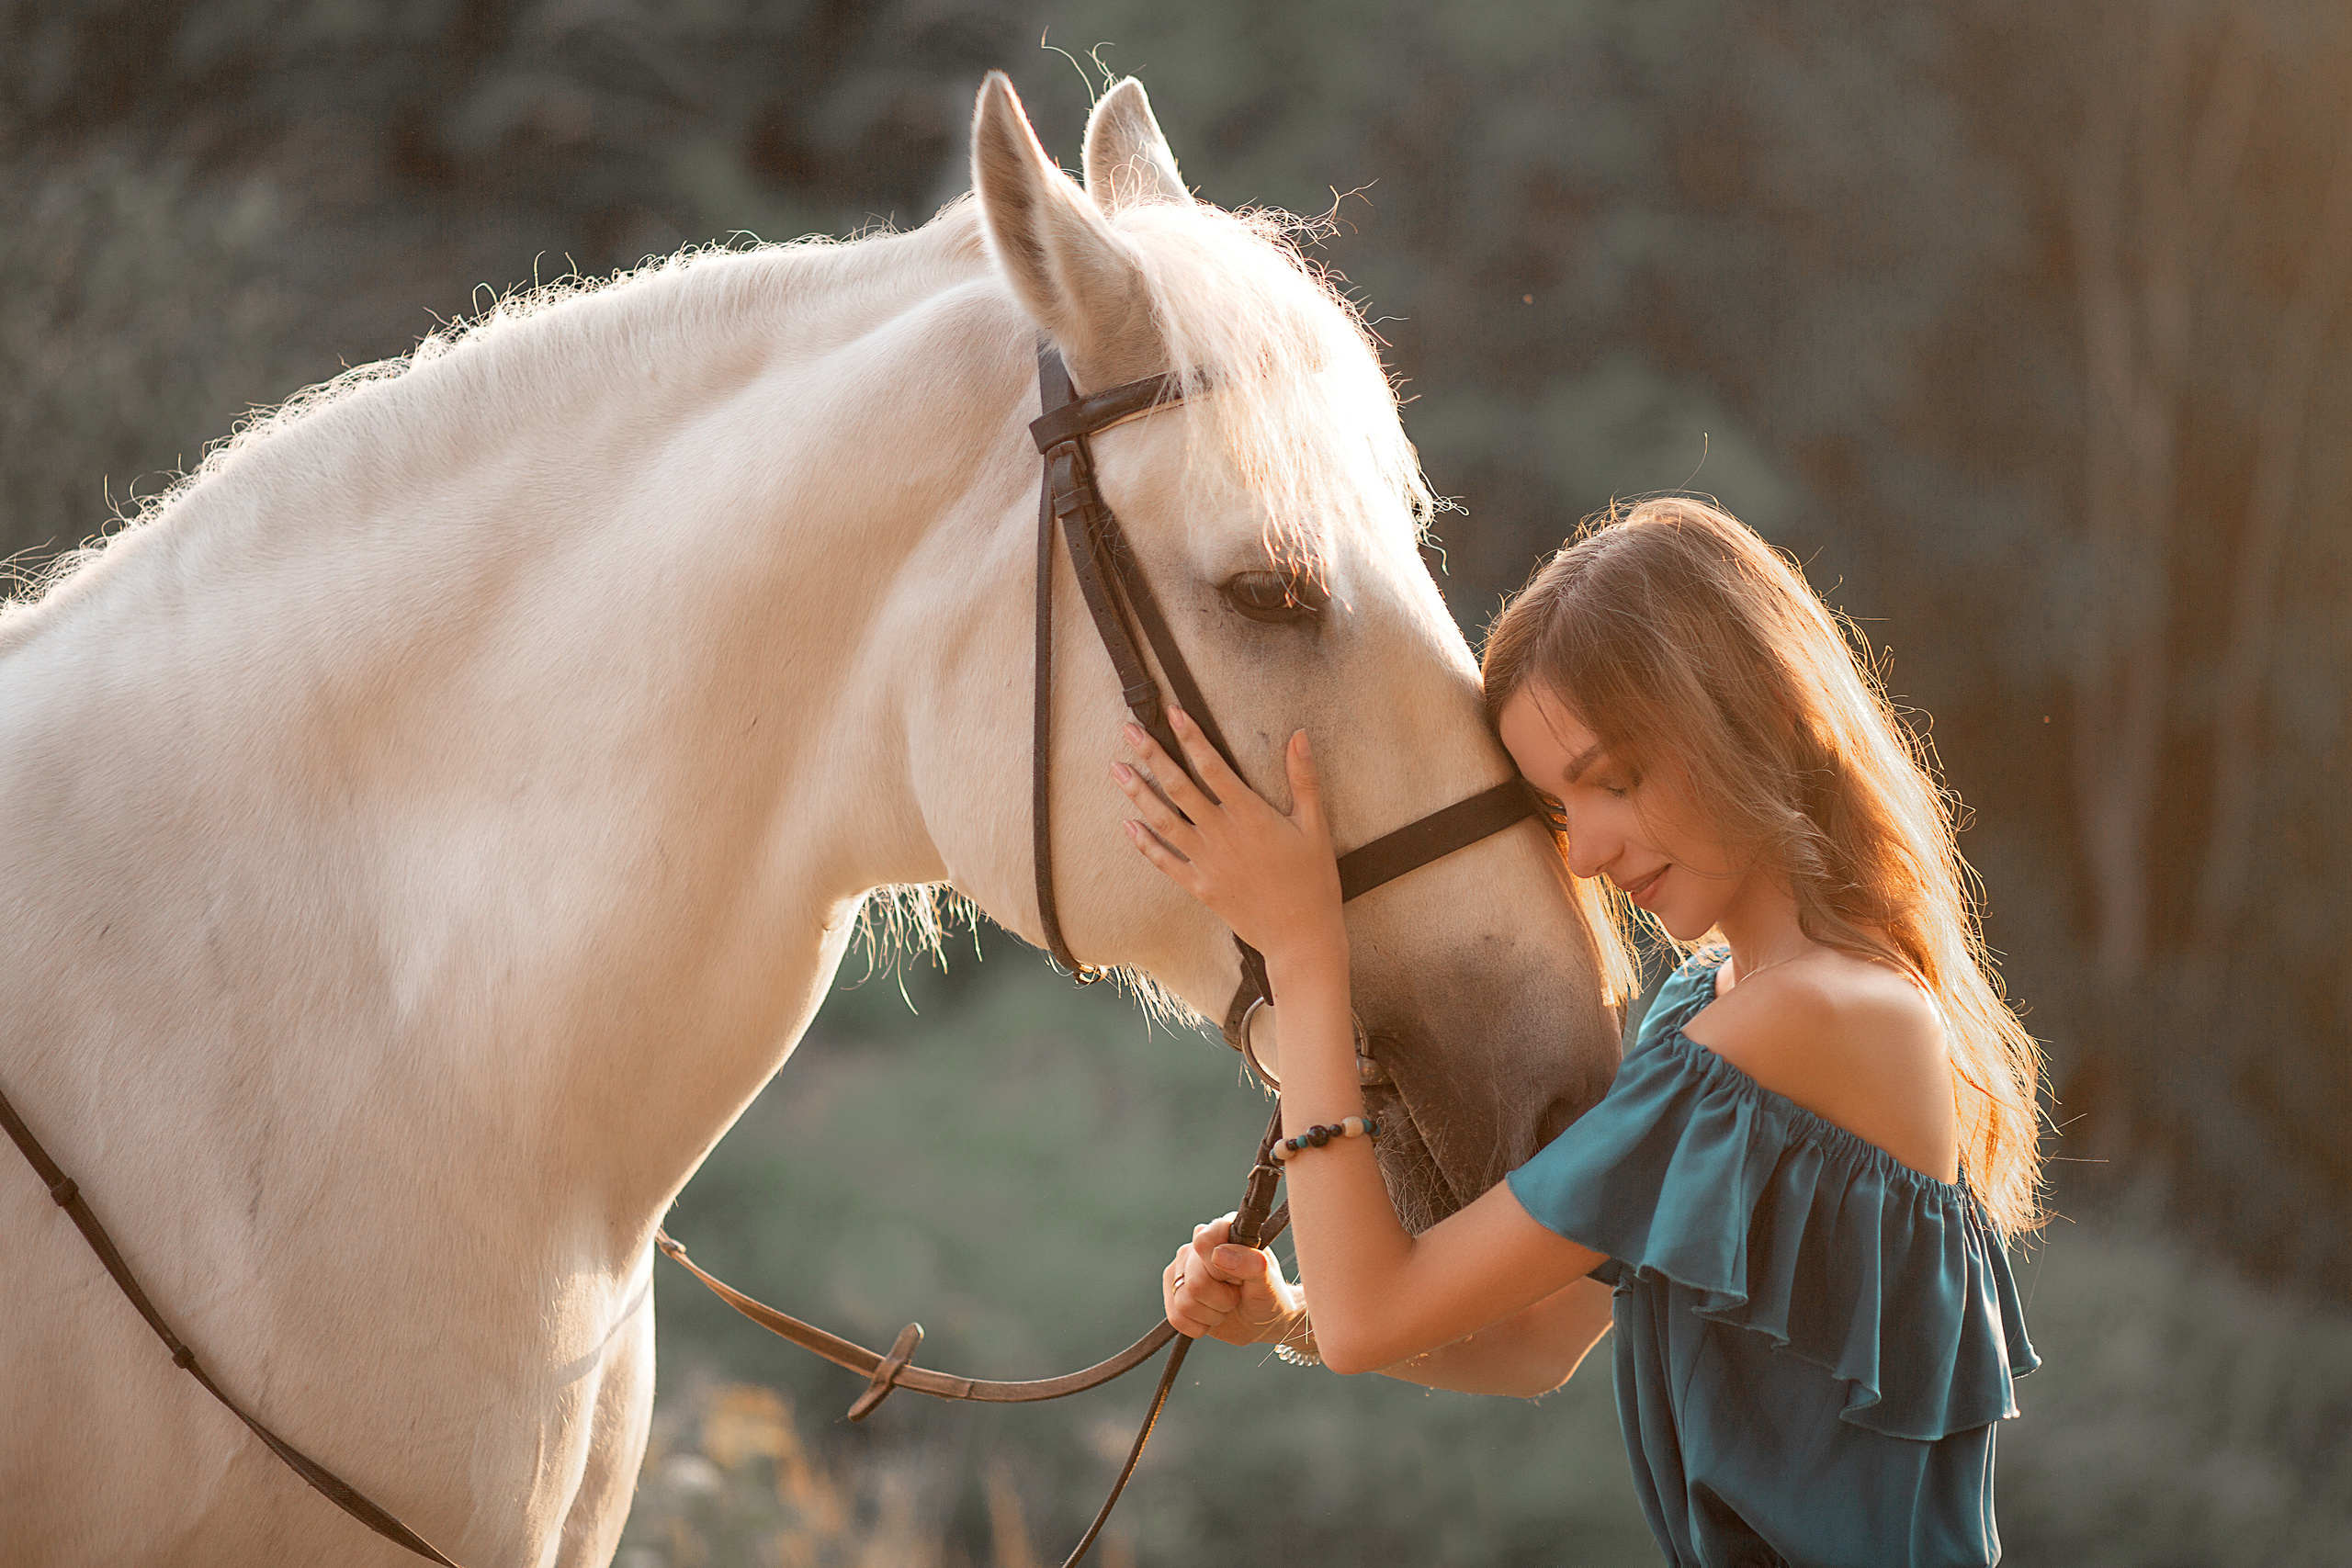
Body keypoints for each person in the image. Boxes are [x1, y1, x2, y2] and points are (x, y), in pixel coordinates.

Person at [1114, 498, 2042, 1567]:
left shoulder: (1801, 1022)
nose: (1588, 851)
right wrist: (1286, 1315)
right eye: (1562, 808)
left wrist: (1303, 948)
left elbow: (1374, 1316)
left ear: (1751, 710)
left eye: (1617, 781)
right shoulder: (1713, 1005)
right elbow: (1534, 1341)